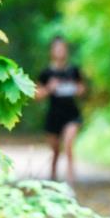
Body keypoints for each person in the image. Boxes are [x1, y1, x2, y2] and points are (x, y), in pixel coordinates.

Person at [35, 37, 86, 185]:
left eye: (63, 48)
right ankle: (53, 177)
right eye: (57, 48)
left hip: (72, 114)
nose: (60, 51)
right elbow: (36, 95)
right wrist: (49, 88)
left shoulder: (73, 70)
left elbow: (82, 89)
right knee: (56, 149)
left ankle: (71, 179)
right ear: (52, 51)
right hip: (54, 115)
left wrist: (77, 89)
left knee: (69, 143)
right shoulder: (46, 73)